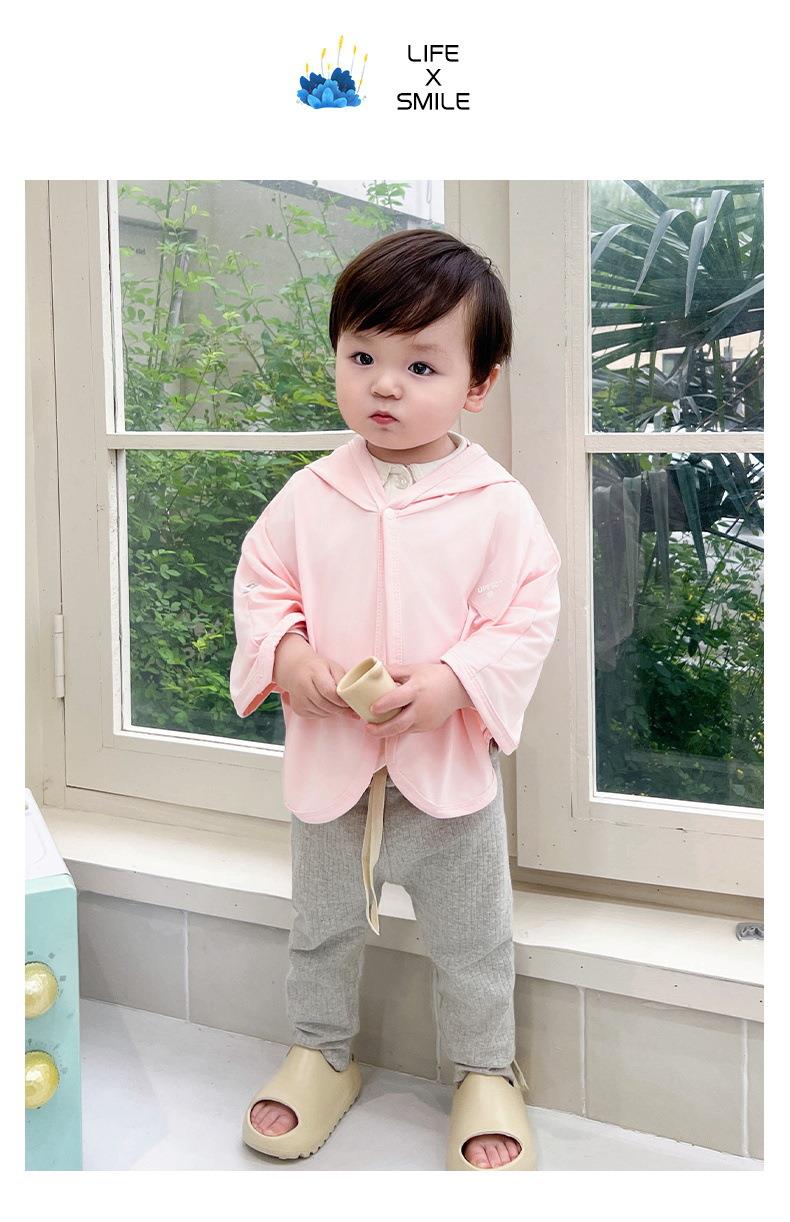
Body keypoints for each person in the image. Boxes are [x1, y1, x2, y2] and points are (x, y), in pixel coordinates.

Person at [230, 228, 562, 1170]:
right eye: (362, 356)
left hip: (447, 782)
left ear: (477, 383)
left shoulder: (497, 504)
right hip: (333, 770)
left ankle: (486, 1069)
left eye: (420, 365)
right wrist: (287, 652)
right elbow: (262, 586)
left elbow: (527, 615)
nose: (384, 385)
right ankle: (320, 1051)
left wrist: (457, 681)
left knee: (474, 940)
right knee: (320, 929)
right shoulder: (309, 494)